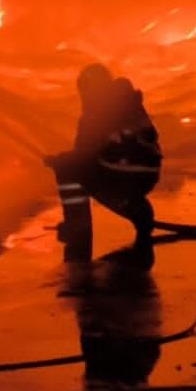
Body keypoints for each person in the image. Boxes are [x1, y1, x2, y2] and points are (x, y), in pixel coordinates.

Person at [45, 63, 161, 262]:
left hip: (122, 174)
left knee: (68, 170)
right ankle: (136, 208)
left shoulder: (97, 109)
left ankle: (77, 226)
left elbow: (82, 155)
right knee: (80, 167)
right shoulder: (129, 103)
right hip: (147, 175)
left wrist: (58, 161)